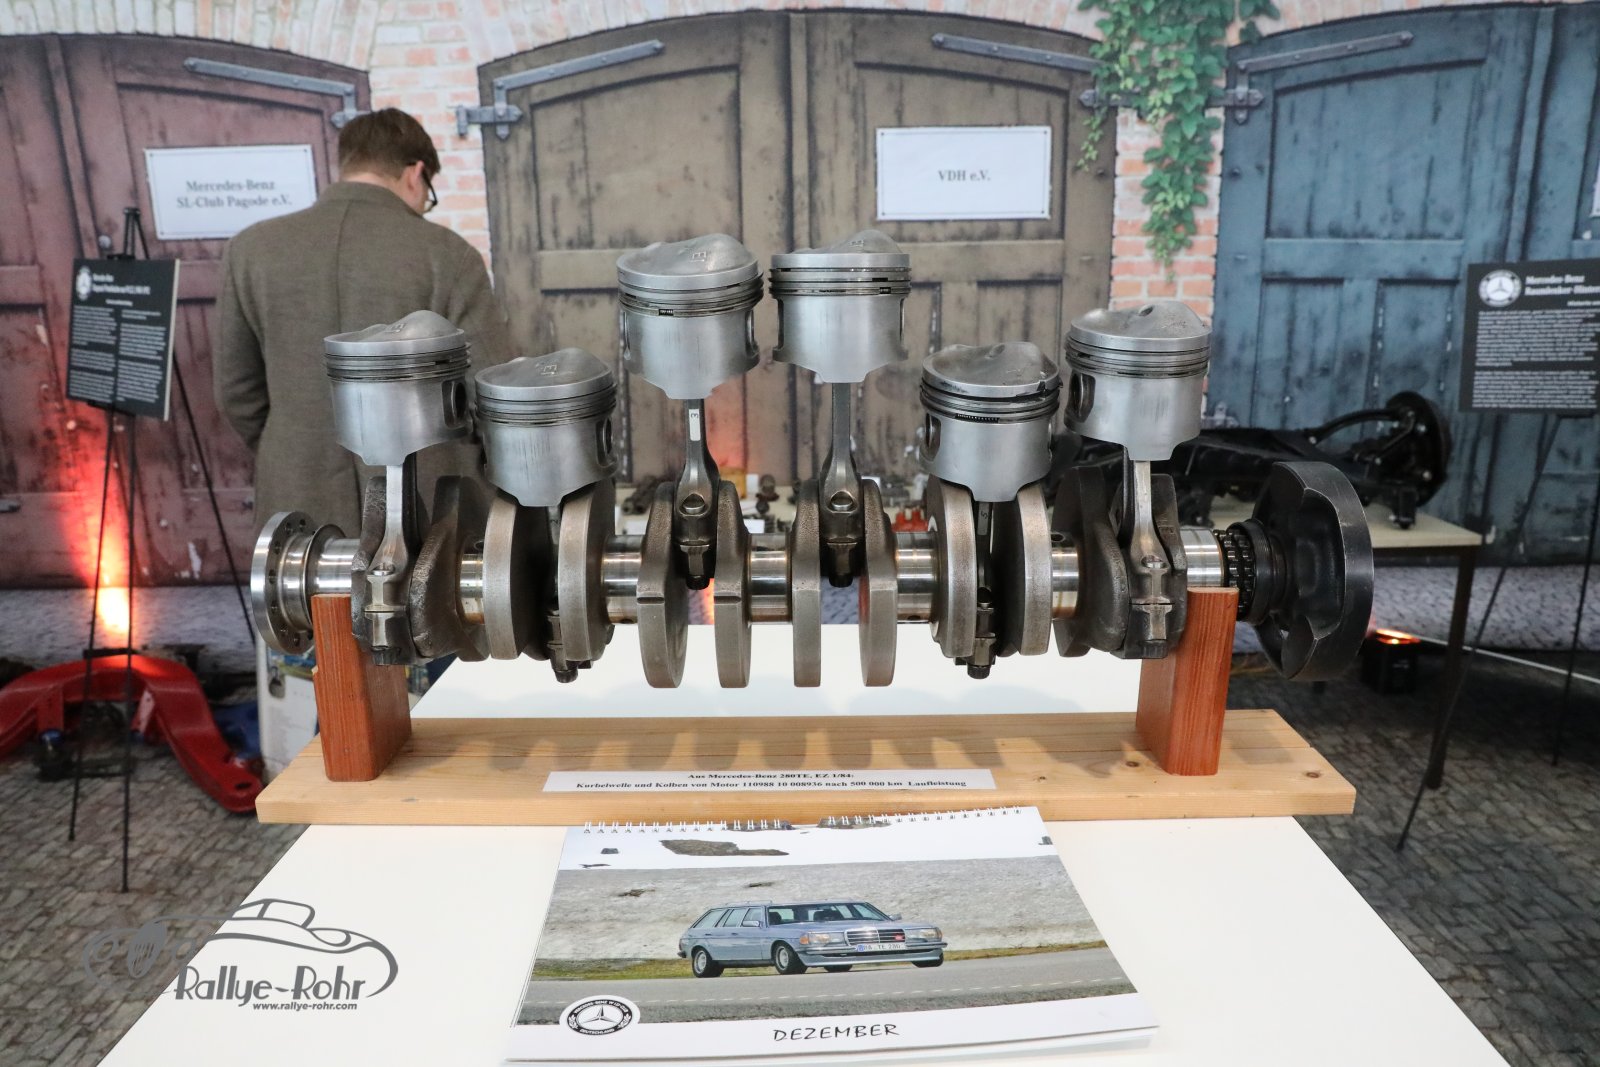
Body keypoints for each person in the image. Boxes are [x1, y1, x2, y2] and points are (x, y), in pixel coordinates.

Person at [213, 107, 512, 536]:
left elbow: (237, 392)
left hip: (297, 498)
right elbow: (492, 394)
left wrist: (297, 450)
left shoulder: (250, 249)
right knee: (428, 582)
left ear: (348, 164)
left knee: (302, 583)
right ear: (416, 174)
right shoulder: (446, 253)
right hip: (427, 502)